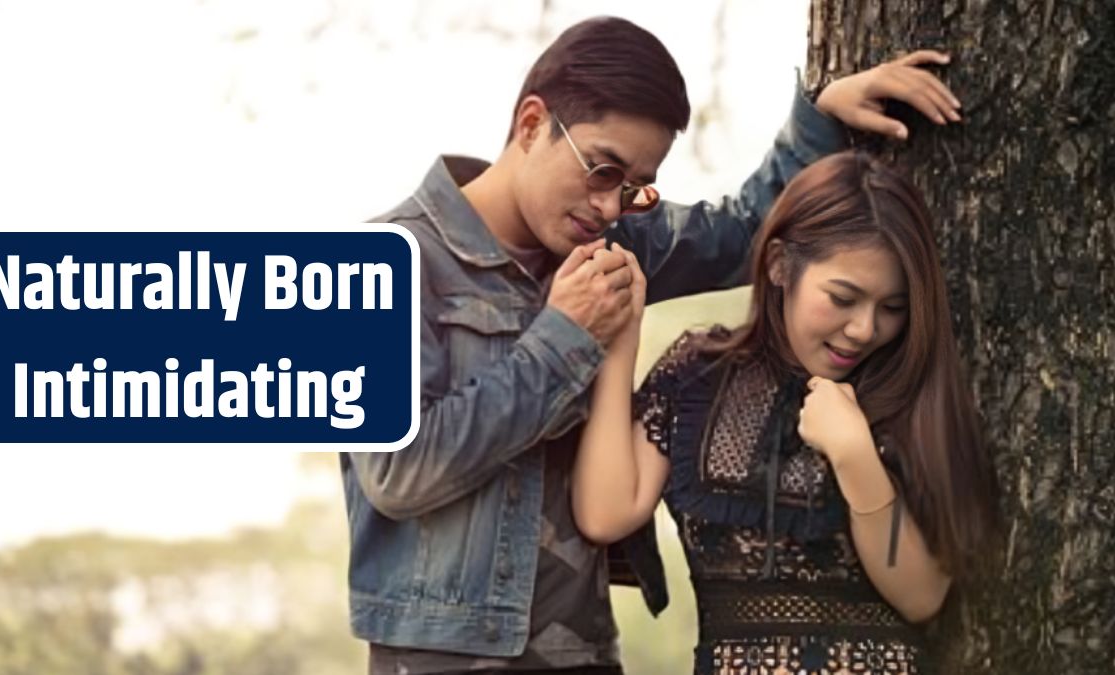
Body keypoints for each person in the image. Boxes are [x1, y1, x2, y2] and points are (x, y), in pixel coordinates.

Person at [340, 15, 965, 675]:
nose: (612, 206)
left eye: (635, 185)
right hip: (442, 656)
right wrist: (563, 339)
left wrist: (820, 117)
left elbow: (746, 233)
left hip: (584, 650)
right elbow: (396, 472)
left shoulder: (607, 244)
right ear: (531, 125)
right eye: (603, 169)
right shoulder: (380, 264)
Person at [571, 151, 1002, 674]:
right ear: (778, 265)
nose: (865, 328)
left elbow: (921, 595)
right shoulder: (696, 374)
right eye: (844, 297)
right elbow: (605, 511)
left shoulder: (909, 395)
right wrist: (622, 341)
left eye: (891, 308)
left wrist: (853, 454)